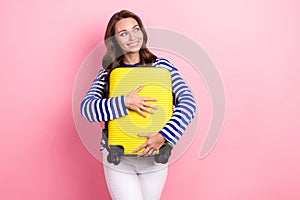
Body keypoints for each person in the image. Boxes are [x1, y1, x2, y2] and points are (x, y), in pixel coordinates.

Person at [81, 10, 196, 200]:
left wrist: (164, 135)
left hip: (155, 159)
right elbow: (88, 109)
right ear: (114, 40)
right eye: (123, 33)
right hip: (119, 161)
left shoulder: (162, 68)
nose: (132, 37)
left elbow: (188, 103)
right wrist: (125, 102)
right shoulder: (108, 75)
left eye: (136, 29)